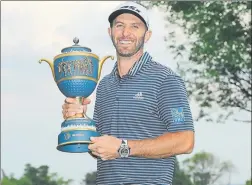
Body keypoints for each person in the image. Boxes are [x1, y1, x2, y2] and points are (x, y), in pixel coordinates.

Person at [62, 1, 195, 185]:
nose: (126, 33)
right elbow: (99, 149)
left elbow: (185, 141)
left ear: (147, 35)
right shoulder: (104, 85)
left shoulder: (165, 80)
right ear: (110, 32)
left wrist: (123, 148)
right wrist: (81, 121)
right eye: (120, 25)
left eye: (135, 26)